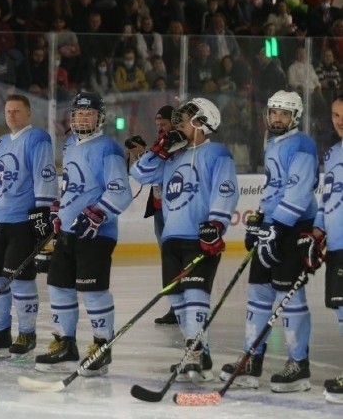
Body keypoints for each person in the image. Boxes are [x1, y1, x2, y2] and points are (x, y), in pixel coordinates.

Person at [131, 97, 238, 382]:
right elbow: (138, 174)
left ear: (202, 123)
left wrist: (216, 223)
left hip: (199, 236)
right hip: (171, 237)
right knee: (177, 298)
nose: (178, 122)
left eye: (186, 117)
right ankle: (199, 353)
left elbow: (226, 190)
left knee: (194, 295)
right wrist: (160, 150)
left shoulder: (217, 153)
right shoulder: (173, 156)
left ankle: (194, 352)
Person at [220, 91, 319, 392]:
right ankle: (251, 360)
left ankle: (298, 365)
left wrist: (277, 226)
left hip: (294, 228)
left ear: (295, 117)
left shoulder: (302, 144)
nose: (277, 118)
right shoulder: (273, 142)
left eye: (284, 114)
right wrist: (259, 219)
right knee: (258, 292)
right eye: (274, 112)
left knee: (288, 296)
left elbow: (299, 193)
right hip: (273, 226)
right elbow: (273, 187)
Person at [35, 92, 132, 374]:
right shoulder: (71, 145)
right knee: (58, 286)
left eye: (88, 114)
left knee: (92, 289)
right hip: (68, 232)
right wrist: (58, 208)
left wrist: (96, 213)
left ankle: (102, 346)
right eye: (78, 114)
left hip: (96, 235)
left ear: (99, 117)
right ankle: (65, 342)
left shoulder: (108, 149)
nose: (82, 118)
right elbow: (72, 185)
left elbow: (120, 191)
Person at [0, 94, 57, 358]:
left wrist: (42, 210)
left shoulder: (37, 138)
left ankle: (27, 333)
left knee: (19, 280)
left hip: (22, 221)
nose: (12, 115)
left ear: (28, 114)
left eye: (17, 111)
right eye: (8, 111)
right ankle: (1, 331)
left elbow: (45, 173)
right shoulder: (0, 143)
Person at [127, 105, 178, 325]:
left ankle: (181, 306)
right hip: (159, 210)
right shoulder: (162, 145)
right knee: (167, 260)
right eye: (157, 125)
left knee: (175, 259)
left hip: (174, 212)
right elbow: (151, 171)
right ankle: (175, 306)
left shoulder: (180, 146)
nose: (160, 129)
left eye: (164, 124)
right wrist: (143, 152)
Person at [314, 94, 343, 404]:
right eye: (336, 114)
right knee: (341, 309)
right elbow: (328, 198)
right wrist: (319, 230)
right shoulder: (333, 153)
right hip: (336, 243)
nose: (339, 120)